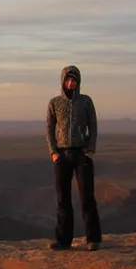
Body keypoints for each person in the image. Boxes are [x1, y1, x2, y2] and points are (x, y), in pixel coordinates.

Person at [45, 65, 102, 251]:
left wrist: (90, 149)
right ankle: (63, 240)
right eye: (68, 80)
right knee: (63, 199)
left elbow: (93, 125)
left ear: (78, 82)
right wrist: (53, 152)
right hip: (62, 155)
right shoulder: (55, 103)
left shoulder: (85, 101)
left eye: (74, 80)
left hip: (81, 154)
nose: (71, 83)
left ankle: (92, 239)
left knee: (87, 197)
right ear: (63, 81)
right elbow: (49, 129)